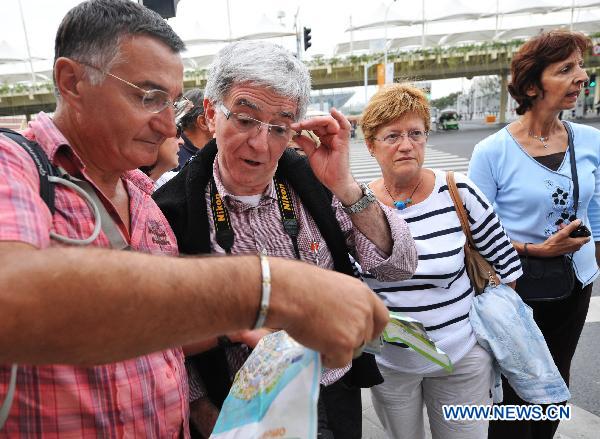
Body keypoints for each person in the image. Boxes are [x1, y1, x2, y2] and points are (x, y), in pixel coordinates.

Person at [0, 1, 390, 436]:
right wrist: (267, 288)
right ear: (72, 81)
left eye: (171, 103)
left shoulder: (143, 198)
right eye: (148, 97)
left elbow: (157, 333)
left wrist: (233, 328)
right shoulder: (14, 164)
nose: (169, 127)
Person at [153, 40, 418, 438]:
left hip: (329, 390)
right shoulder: (171, 208)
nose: (261, 144)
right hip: (239, 405)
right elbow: (163, 333)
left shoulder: (313, 181)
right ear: (210, 113)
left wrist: (345, 186)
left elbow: (398, 266)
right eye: (244, 119)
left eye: (279, 127)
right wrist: (204, 411)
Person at [359, 83, 522, 439]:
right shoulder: (358, 206)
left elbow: (507, 267)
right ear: (371, 146)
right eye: (392, 136)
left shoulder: (458, 191)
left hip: (461, 358)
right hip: (391, 366)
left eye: (416, 133)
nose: (406, 144)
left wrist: (488, 338)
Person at [468, 30, 599, 439]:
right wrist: (534, 249)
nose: (582, 77)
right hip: (515, 287)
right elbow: (472, 235)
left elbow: (596, 215)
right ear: (531, 85)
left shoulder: (591, 140)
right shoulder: (493, 152)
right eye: (566, 69)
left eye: (580, 66)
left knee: (555, 384)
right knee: (514, 390)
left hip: (576, 283)